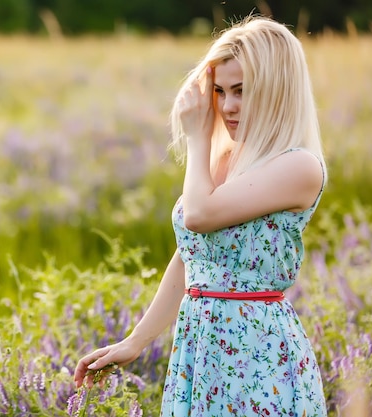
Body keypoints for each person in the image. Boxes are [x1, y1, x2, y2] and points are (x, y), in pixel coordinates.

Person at [74, 15, 328, 416]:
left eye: (243, 91)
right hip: (198, 352)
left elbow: (198, 216)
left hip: (258, 357)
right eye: (221, 91)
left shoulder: (299, 167)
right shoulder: (228, 159)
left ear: (278, 90)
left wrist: (197, 137)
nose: (228, 106)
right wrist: (135, 342)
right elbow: (192, 253)